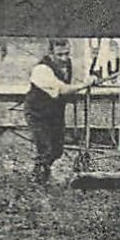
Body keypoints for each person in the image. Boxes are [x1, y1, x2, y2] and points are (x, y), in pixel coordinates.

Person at [24, 38, 86, 184]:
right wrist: (85, 84)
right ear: (50, 54)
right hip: (37, 113)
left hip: (55, 113)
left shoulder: (67, 65)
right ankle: (37, 181)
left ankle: (42, 173)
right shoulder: (41, 70)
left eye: (67, 54)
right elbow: (63, 89)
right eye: (60, 55)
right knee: (45, 148)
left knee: (57, 150)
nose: (64, 58)